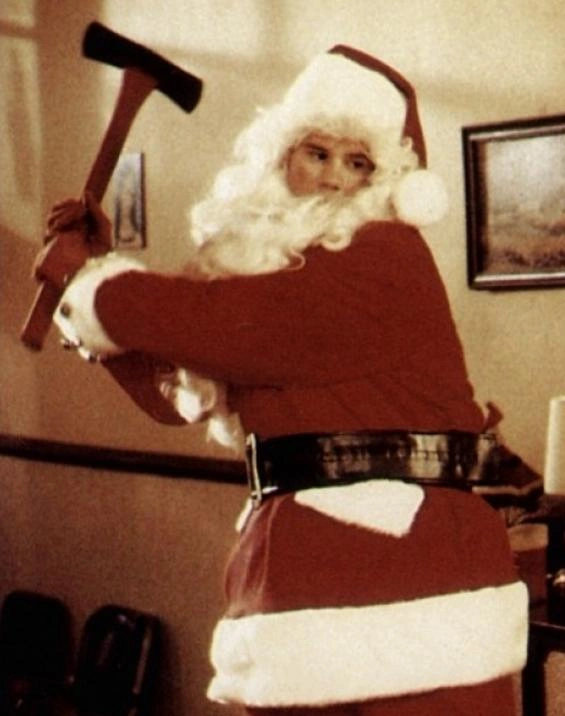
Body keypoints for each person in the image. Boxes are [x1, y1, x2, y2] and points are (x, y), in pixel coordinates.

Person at [38, 45, 528, 715]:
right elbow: (176, 393)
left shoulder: (386, 257)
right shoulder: (269, 277)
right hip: (303, 577)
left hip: (413, 578)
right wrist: (99, 267)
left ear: (384, 181)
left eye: (358, 163)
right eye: (316, 153)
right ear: (280, 157)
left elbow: (214, 323)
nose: (333, 179)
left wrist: (90, 283)